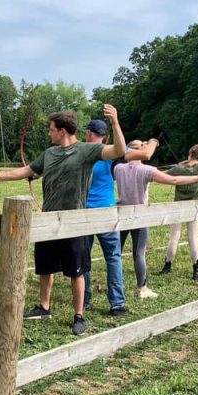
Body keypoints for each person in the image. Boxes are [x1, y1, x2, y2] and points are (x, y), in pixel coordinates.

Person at [0, 104, 126, 336]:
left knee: (76, 271)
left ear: (62, 131)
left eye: (51, 129)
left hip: (74, 221)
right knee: (45, 267)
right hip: (49, 219)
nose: (49, 133)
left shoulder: (87, 151)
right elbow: (26, 170)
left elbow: (119, 151)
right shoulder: (49, 154)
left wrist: (115, 122)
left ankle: (79, 315)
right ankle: (44, 307)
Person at [114, 139, 198, 297]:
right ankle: (194, 271)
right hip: (151, 214)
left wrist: (182, 165)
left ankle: (165, 266)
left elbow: (169, 175)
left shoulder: (118, 168)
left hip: (123, 214)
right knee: (142, 252)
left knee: (116, 252)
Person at [81, 119, 127, 317]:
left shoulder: (82, 152)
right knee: (113, 257)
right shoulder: (108, 153)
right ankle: (117, 304)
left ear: (90, 133)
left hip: (86, 212)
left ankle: (84, 300)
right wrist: (116, 122)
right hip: (107, 211)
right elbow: (122, 149)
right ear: (103, 136)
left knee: (84, 259)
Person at [159, 144, 198, 280]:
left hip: (178, 206)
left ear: (190, 153)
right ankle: (197, 271)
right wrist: (197, 160)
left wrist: (184, 164)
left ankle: (167, 266)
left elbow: (162, 176)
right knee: (193, 238)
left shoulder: (179, 168)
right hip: (194, 207)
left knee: (174, 237)